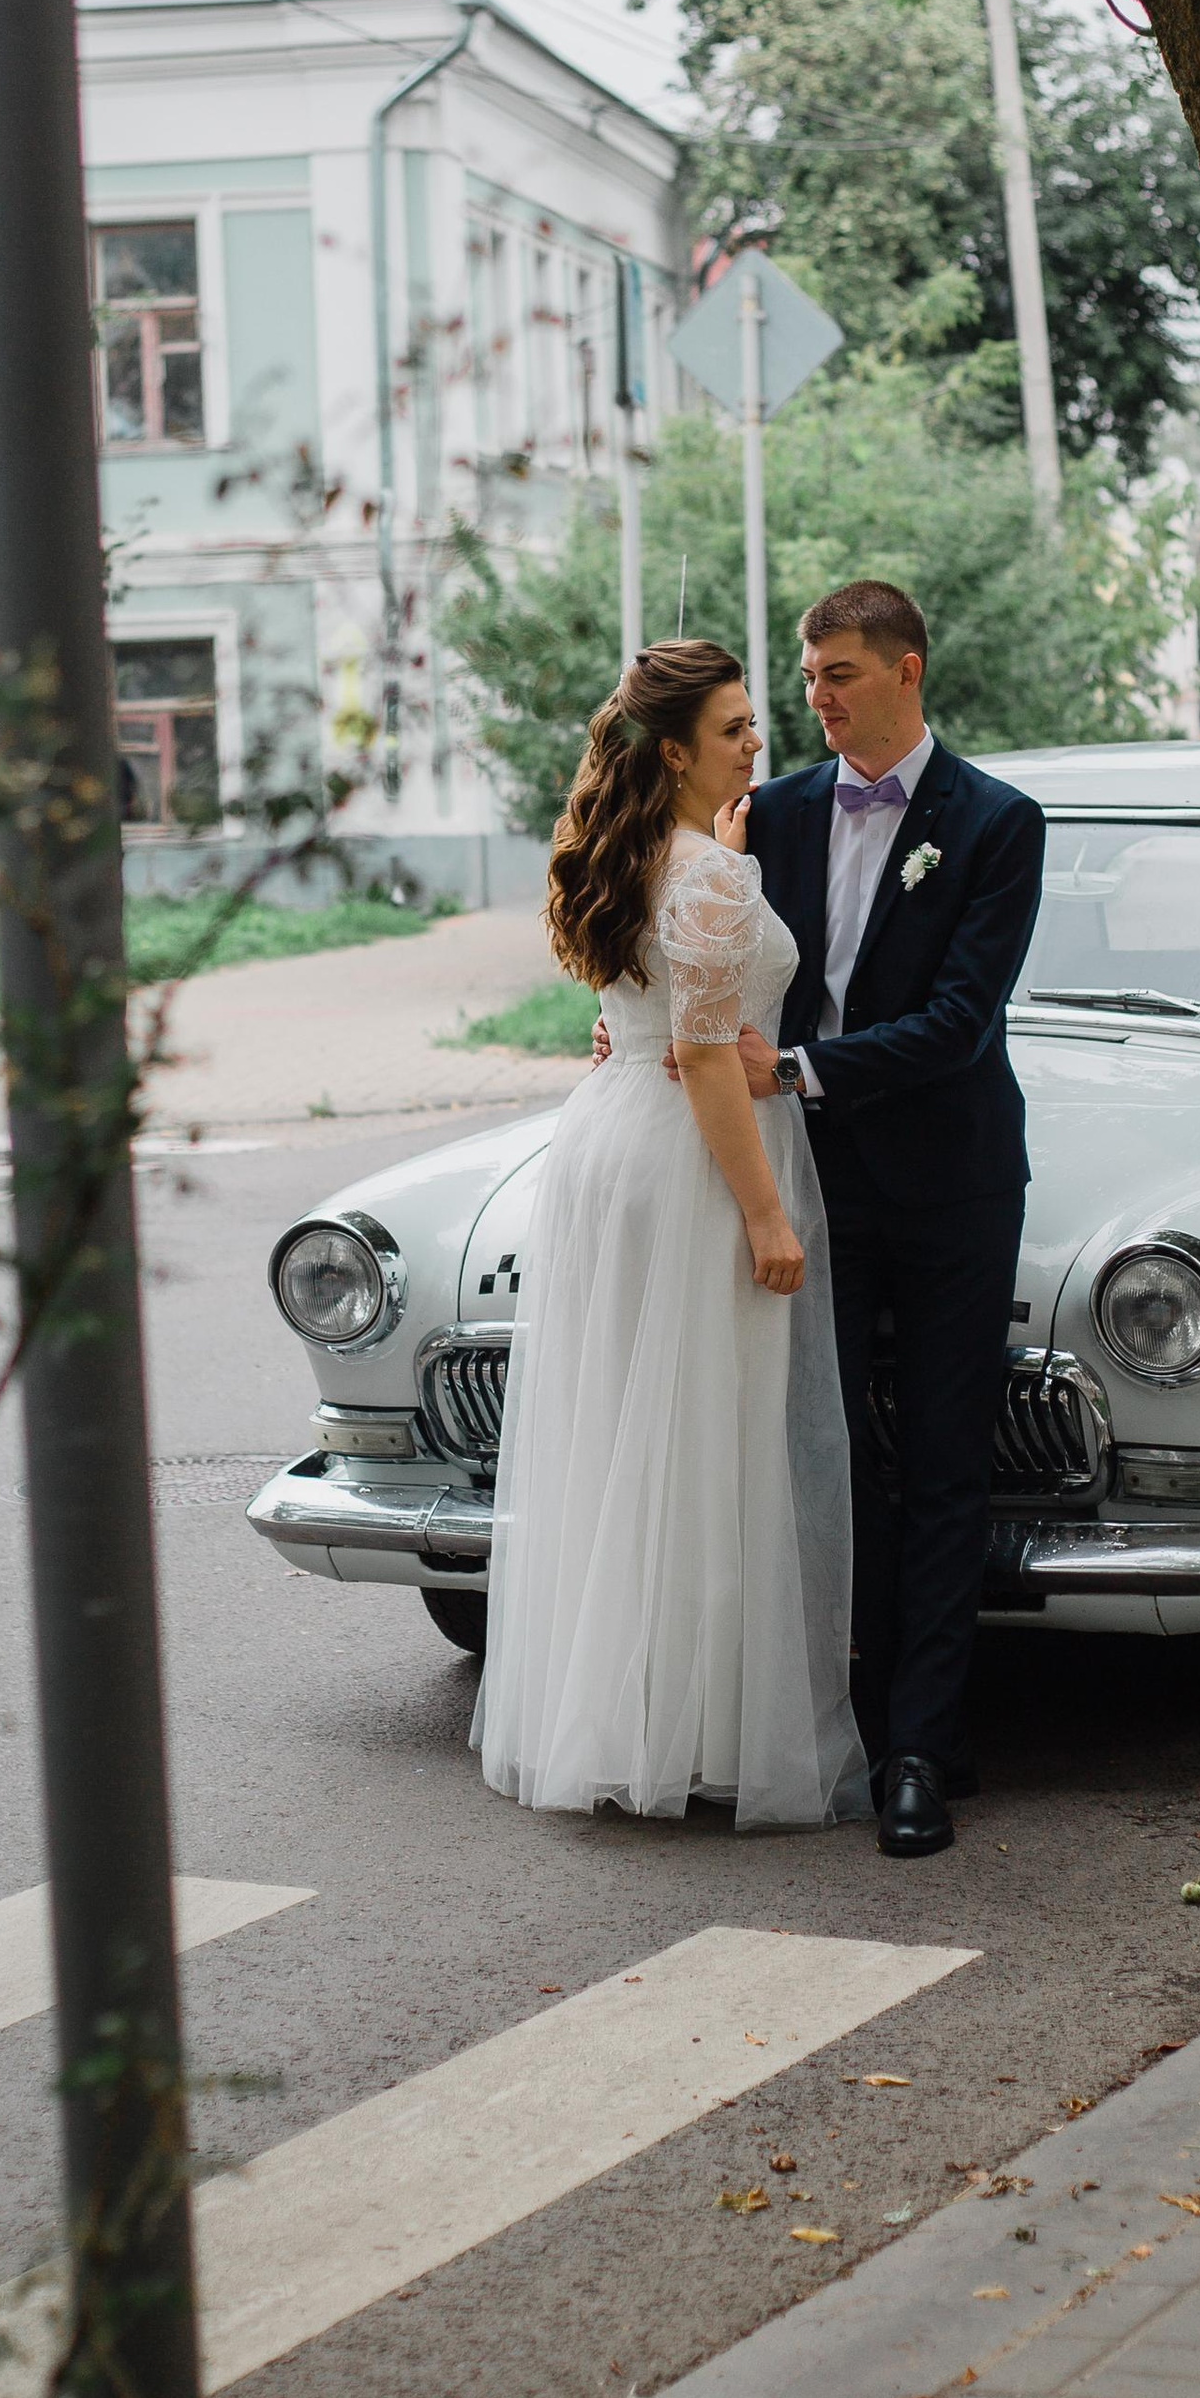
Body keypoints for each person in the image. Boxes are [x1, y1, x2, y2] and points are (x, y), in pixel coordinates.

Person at [474, 640, 868, 1832]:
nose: (759, 741)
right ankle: (694, 1734)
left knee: (632, 1433)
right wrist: (764, 1212)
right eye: (736, 728)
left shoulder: (644, 855)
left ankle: (625, 1713)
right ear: (673, 750)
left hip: (610, 1144)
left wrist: (729, 867)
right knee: (711, 1433)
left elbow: (658, 1013)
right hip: (696, 1158)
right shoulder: (704, 878)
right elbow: (704, 1055)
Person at [739, 584, 1046, 1859]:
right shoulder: (776, 813)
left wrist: (797, 1071)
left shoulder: (995, 823)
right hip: (811, 1183)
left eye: (844, 673)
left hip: (954, 1186)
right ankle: (856, 1728)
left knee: (939, 1465)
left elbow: (959, 1023)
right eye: (811, 674)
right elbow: (721, 958)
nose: (820, 694)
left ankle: (922, 1751)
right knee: (828, 1456)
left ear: (908, 670)